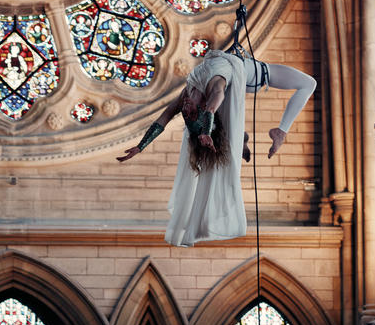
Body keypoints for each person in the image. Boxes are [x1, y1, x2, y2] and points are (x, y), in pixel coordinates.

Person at [117, 49, 316, 247]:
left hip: (236, 71)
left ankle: (241, 139)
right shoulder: (215, 87)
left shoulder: (187, 93)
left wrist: (140, 146)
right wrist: (204, 132)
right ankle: (280, 132)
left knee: (225, 117)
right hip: (260, 76)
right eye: (192, 112)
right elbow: (214, 104)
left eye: (186, 114)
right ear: (202, 107)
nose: (185, 109)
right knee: (308, 84)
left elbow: (164, 118)